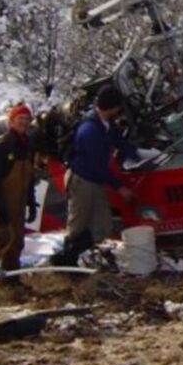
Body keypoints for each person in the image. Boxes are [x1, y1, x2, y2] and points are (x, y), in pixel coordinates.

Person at [53, 86, 138, 267]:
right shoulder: (90, 131)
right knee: (78, 224)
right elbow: (99, 165)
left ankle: (73, 253)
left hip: (94, 180)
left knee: (102, 226)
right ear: (112, 108)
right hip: (82, 180)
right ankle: (66, 261)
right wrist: (119, 187)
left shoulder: (105, 125)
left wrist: (138, 155)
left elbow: (118, 141)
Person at [0, 103, 37, 271]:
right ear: (10, 121)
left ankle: (11, 280)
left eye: (27, 119)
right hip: (1, 204)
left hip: (18, 204)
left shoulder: (27, 145)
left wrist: (31, 201)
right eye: (20, 118)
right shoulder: (0, 146)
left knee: (16, 244)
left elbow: (29, 176)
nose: (23, 122)